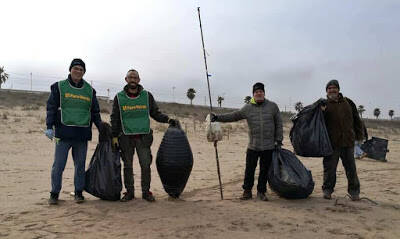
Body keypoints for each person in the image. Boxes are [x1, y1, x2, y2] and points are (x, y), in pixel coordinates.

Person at [110, 69, 178, 202]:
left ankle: (146, 192)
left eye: (135, 77)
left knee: (146, 166)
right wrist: (114, 136)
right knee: (127, 166)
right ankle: (129, 193)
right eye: (130, 77)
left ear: (139, 80)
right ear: (126, 79)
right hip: (125, 137)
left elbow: (155, 113)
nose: (133, 79)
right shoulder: (119, 97)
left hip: (143, 138)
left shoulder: (147, 96)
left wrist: (168, 120)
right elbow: (115, 118)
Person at [211, 82, 283, 201]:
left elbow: (279, 124)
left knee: (264, 171)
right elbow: (234, 116)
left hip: (269, 145)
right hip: (253, 146)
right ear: (253, 94)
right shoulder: (247, 108)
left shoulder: (272, 106)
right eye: (256, 92)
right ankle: (247, 191)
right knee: (249, 170)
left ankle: (261, 192)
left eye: (261, 91)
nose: (259, 93)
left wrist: (278, 140)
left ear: (264, 93)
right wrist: (217, 117)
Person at [45, 58, 102, 205]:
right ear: (70, 70)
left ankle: (78, 192)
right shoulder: (59, 87)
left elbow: (95, 111)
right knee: (58, 165)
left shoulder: (90, 90)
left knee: (80, 166)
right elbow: (51, 107)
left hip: (81, 135)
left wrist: (101, 127)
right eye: (75, 68)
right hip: (62, 135)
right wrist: (49, 126)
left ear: (84, 72)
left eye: (81, 69)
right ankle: (54, 193)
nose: (78, 71)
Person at [321, 79, 363, 201]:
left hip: (348, 142)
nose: (332, 90)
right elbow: (318, 123)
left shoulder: (348, 102)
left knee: (351, 169)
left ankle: (354, 192)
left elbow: (357, 120)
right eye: (329, 88)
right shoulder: (323, 104)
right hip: (331, 144)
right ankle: (327, 190)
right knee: (330, 169)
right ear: (326, 91)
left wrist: (359, 137)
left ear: (338, 89)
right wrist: (322, 112)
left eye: (334, 88)